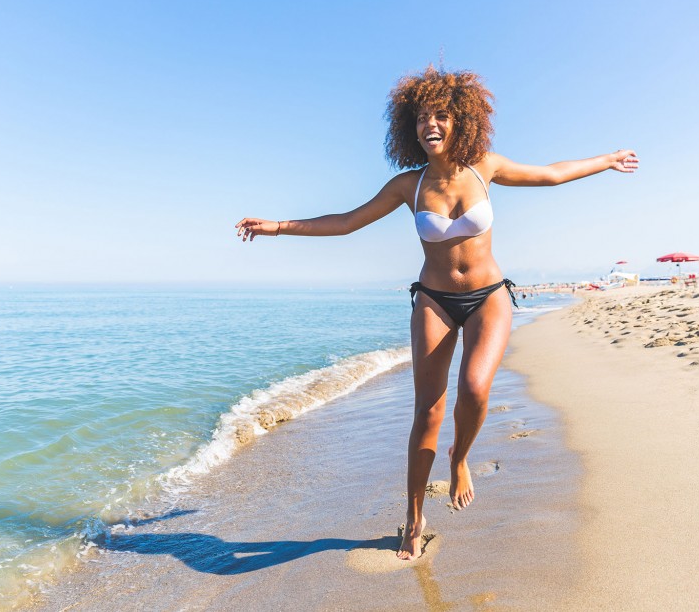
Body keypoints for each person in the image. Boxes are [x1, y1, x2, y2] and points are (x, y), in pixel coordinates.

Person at [235, 66, 638, 561]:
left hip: (488, 294)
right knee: (427, 409)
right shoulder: (409, 184)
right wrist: (276, 226)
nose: (432, 124)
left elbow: (552, 174)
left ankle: (460, 458)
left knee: (474, 388)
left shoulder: (484, 167)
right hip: (434, 300)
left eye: (441, 115)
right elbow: (345, 223)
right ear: (411, 127)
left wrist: (608, 160)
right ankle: (413, 516)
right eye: (423, 117)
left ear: (460, 121)